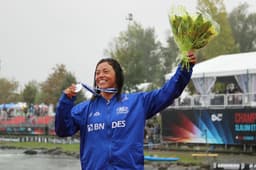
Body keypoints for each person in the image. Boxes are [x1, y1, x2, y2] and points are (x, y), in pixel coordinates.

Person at [55, 52, 196, 170]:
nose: (100, 75)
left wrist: (185, 68)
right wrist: (65, 101)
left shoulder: (137, 102)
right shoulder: (84, 109)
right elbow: (62, 130)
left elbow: (168, 93)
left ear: (117, 75)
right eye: (97, 73)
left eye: (105, 71)